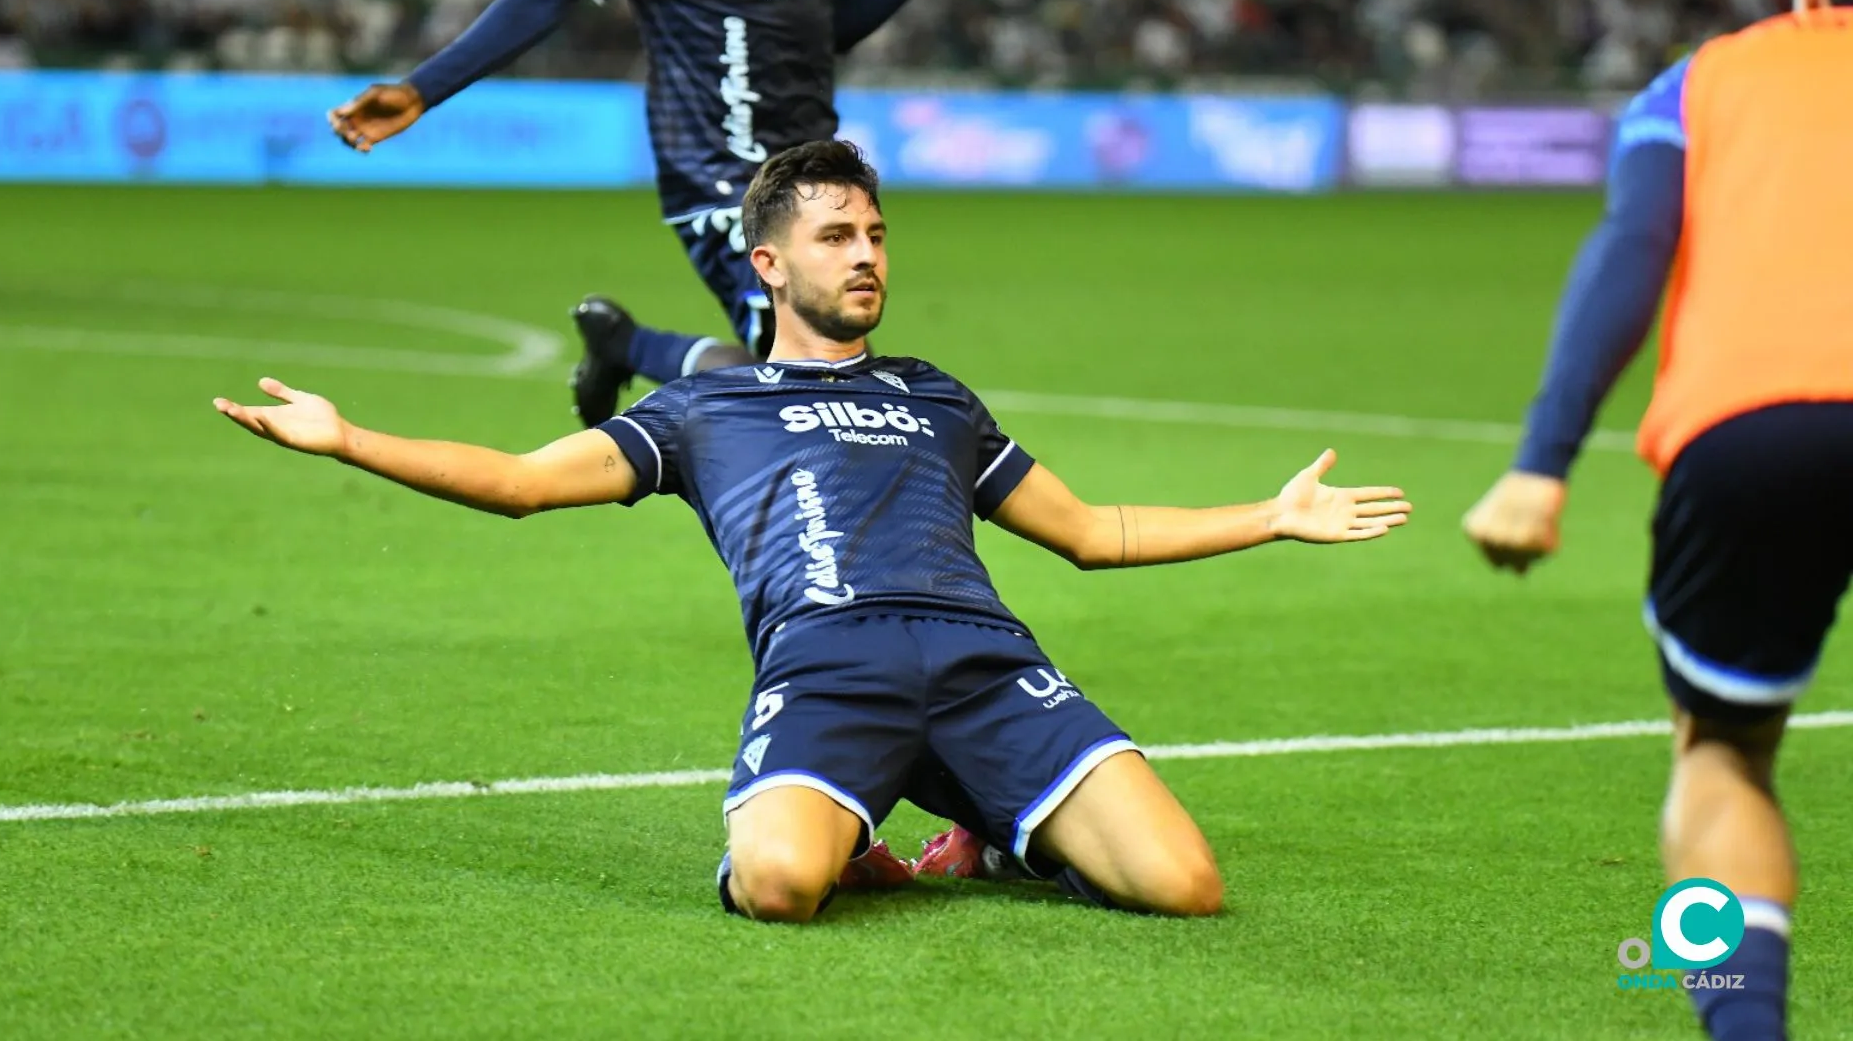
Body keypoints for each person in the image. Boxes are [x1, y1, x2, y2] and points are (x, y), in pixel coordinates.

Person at [215, 140, 1412, 922]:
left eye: (878, 235)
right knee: (781, 886)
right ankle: (860, 834)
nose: (868, 256)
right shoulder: (702, 408)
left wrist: (1272, 514)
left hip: (987, 661)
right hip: (829, 663)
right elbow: (523, 480)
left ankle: (993, 839)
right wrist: (354, 437)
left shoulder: (935, 396)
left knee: (1187, 888)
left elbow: (1092, 532)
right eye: (839, 237)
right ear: (770, 262)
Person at [1462, 0, 1853, 1036]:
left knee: (1724, 752)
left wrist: (1543, 463)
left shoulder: (1703, 81)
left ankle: (1744, 1026)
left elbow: (1634, 247)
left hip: (1761, 421)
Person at [326, 0, 948, 427]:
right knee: (818, 380)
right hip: (720, 175)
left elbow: (830, 23)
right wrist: (423, 88)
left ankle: (628, 345)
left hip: (817, 176)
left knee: (806, 381)